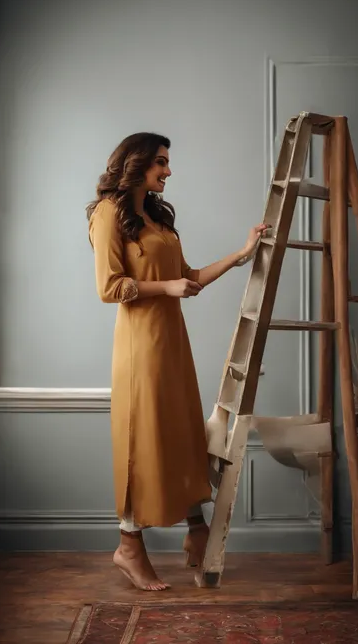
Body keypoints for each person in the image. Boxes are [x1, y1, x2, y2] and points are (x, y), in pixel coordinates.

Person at [87, 132, 268, 591]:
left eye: (167, 163)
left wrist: (241, 254)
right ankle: (128, 546)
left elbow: (188, 278)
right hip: (139, 348)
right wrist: (166, 288)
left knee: (182, 433)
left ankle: (197, 529)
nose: (168, 171)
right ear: (137, 163)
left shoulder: (156, 215)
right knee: (141, 439)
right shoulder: (109, 214)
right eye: (161, 163)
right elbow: (110, 288)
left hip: (172, 343)